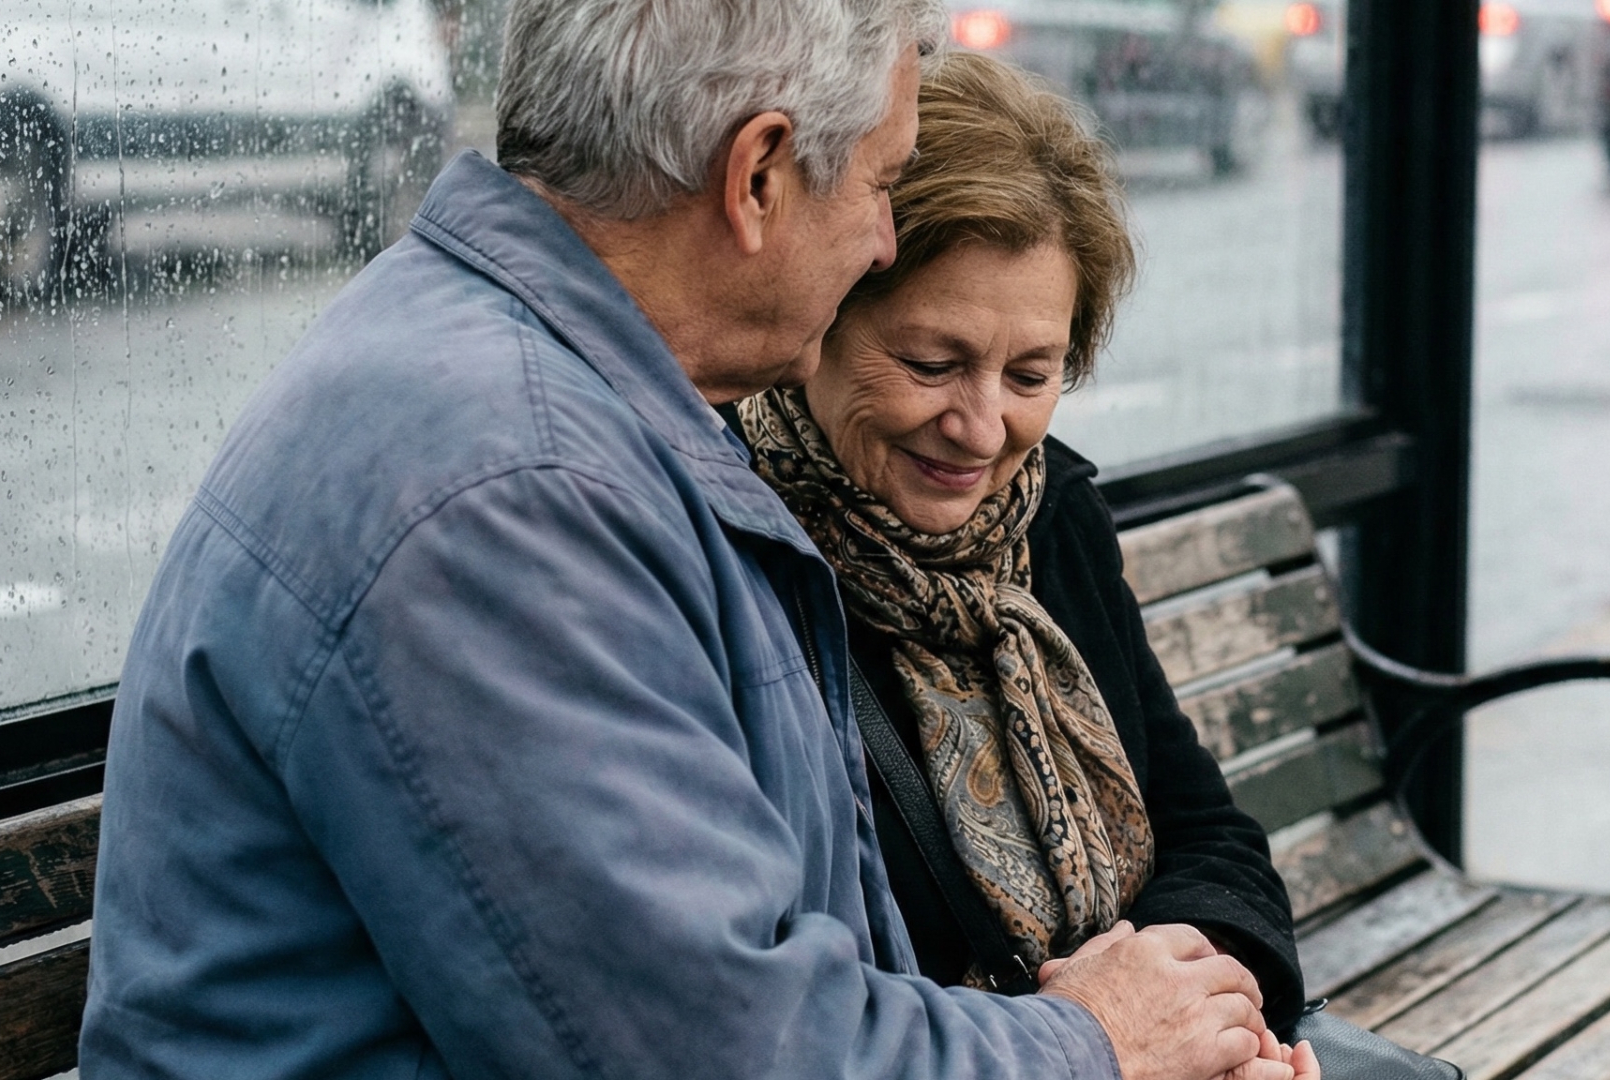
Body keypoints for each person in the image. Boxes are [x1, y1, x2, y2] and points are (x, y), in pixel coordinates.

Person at [80, 1, 1305, 1078]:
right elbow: (717, 1049)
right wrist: (1096, 1044)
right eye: (881, 183)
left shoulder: (556, 410)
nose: (884, 239)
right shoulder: (515, 495)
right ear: (758, 174)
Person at [734, 49, 1312, 1050]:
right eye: (932, 363)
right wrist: (1098, 1035)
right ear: (820, 315)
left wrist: (1200, 1019)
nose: (982, 428)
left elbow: (1209, 835)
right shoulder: (738, 552)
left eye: (1031, 375)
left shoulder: (1053, 518)